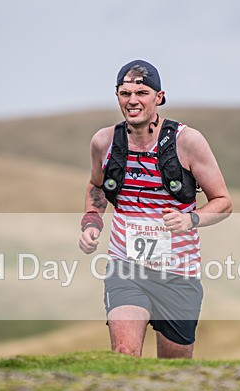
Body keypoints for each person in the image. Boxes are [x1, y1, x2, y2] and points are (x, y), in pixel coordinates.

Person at [78, 60, 231, 359]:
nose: (132, 100)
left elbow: (223, 202)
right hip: (126, 268)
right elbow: (96, 186)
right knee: (124, 353)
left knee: (173, 370)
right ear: (117, 96)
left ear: (159, 97)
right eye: (125, 93)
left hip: (178, 273)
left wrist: (191, 219)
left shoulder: (187, 141)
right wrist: (91, 222)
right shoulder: (104, 142)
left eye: (142, 92)